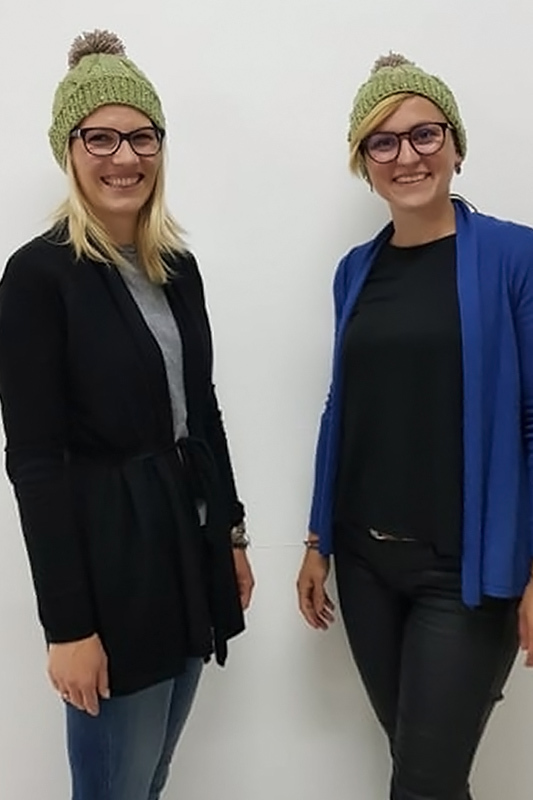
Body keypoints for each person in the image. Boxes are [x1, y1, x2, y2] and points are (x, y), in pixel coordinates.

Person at [0, 29, 254, 800]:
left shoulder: (175, 268)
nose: (124, 157)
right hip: (111, 566)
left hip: (187, 546)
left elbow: (202, 409)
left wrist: (229, 534)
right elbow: (34, 461)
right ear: (68, 149)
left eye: (142, 136)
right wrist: (69, 627)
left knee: (150, 777)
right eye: (100, 137)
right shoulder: (38, 276)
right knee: (113, 786)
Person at [297, 52, 533, 800]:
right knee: (422, 771)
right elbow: (343, 408)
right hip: (365, 564)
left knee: (423, 782)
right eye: (383, 142)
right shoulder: (354, 270)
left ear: (455, 145)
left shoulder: (514, 257)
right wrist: (317, 540)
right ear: (363, 163)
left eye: (425, 134)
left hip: (463, 575)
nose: (407, 156)